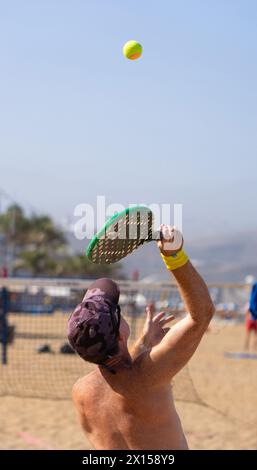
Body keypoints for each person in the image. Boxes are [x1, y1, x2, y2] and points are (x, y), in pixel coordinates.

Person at [68, 225, 215, 450]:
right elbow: (201, 314)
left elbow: (120, 374)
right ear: (120, 335)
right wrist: (174, 255)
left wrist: (143, 342)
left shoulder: (82, 391)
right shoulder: (149, 376)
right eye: (117, 310)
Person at [244, 283, 257, 350]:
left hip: (251, 320)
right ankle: (251, 347)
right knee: (252, 335)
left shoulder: (250, 302)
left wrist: (247, 318)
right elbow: (247, 311)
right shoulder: (251, 302)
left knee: (250, 334)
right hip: (253, 320)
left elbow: (246, 312)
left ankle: (250, 347)